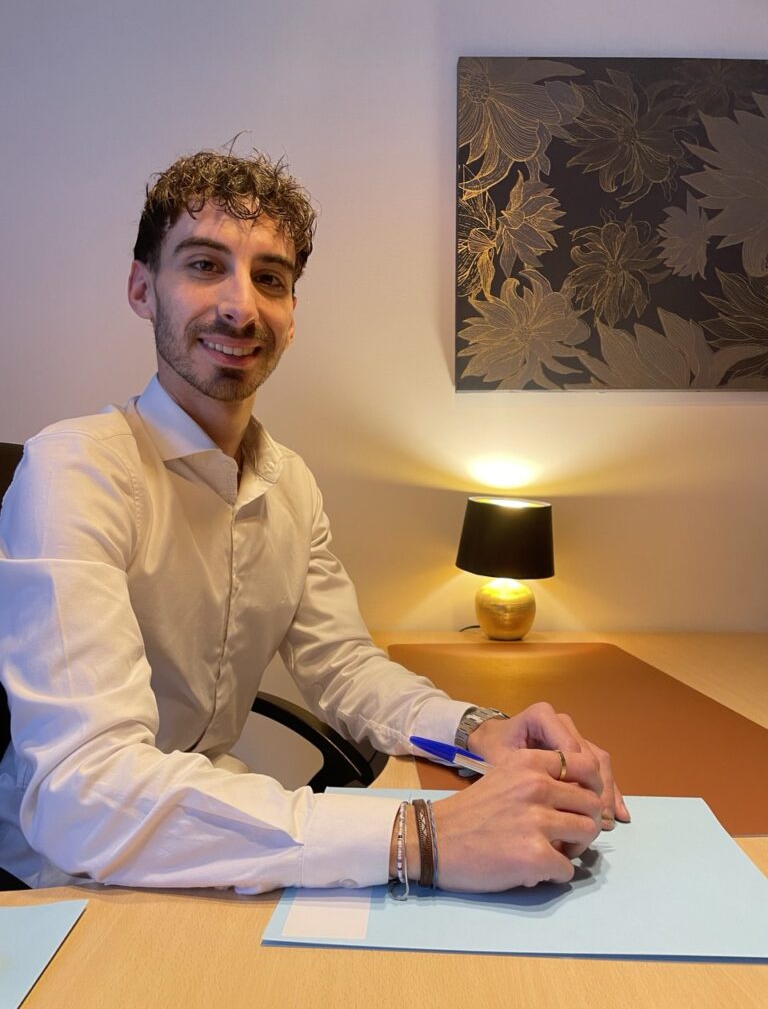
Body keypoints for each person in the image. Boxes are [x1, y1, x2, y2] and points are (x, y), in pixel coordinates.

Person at [0, 149, 629, 895]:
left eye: (270, 279)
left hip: (223, 841)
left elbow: (344, 668)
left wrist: (478, 732)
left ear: (292, 316)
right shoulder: (75, 470)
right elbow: (82, 793)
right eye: (204, 266)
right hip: (71, 877)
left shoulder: (289, 483)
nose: (240, 307)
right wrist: (419, 837)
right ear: (142, 288)